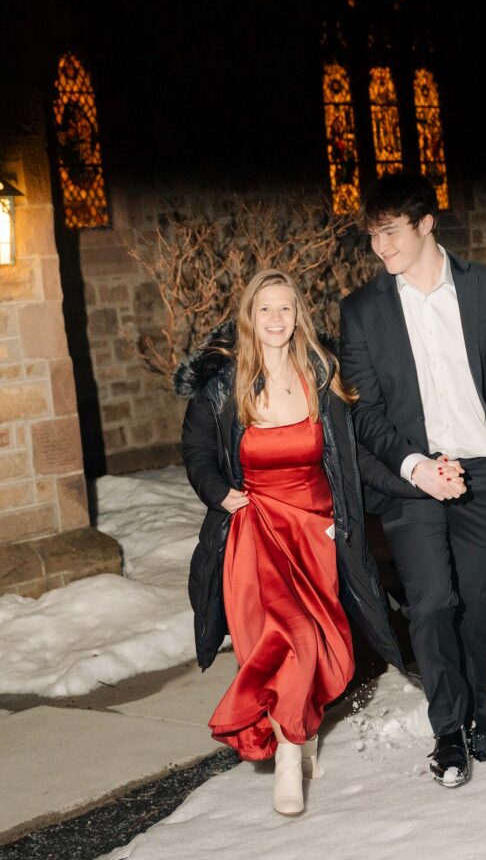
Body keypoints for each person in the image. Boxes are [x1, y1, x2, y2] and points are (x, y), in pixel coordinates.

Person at [339, 175, 486, 788]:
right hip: (412, 478)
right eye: (372, 236)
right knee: (433, 602)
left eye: (390, 232)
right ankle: (448, 733)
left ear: (425, 223)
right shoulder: (361, 311)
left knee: (476, 606)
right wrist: (415, 466)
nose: (380, 247)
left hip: (485, 473)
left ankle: (475, 716)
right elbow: (366, 413)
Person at [174, 269, 417, 816]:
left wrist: (414, 479)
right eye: (265, 310)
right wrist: (220, 493)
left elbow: (354, 457)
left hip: (316, 529)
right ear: (249, 317)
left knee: (323, 641)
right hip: (257, 529)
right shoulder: (224, 385)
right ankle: (288, 751)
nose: (276, 319)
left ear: (299, 315)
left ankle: (302, 731)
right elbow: (198, 453)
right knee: (292, 634)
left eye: (286, 309)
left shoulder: (323, 377)